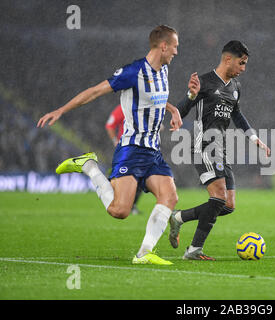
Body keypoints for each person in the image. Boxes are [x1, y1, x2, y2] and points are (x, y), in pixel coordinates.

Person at [37, 25, 201, 265]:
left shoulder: (164, 70)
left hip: (153, 151)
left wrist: (174, 109)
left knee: (169, 196)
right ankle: (89, 166)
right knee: (119, 211)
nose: (177, 51)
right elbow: (95, 92)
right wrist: (61, 110)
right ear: (163, 45)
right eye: (175, 46)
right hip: (131, 149)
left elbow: (157, 98)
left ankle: (144, 253)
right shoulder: (132, 72)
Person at [167, 40, 271, 260]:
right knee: (218, 197)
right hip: (203, 146)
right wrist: (191, 95)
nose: (243, 68)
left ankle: (179, 218)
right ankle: (194, 250)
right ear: (228, 59)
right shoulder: (204, 81)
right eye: (241, 63)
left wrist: (255, 138)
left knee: (228, 205)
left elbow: (237, 115)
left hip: (221, 149)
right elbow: (181, 109)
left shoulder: (235, 88)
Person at [105, 104, 142, 215]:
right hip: (127, 149)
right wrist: (115, 141)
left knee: (140, 177)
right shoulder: (123, 107)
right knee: (123, 176)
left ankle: (131, 204)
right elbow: (110, 125)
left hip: (141, 148)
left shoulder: (144, 105)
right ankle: (109, 194)